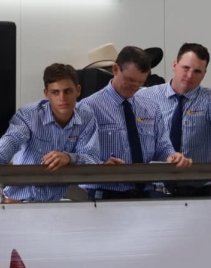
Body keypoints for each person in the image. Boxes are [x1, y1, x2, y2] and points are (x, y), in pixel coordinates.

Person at [0, 63, 101, 202]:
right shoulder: (29, 115)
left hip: (55, 204)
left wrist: (70, 158)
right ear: (46, 93)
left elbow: (92, 160)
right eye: (55, 92)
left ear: (78, 90)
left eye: (68, 91)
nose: (62, 98)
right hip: (17, 202)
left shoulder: (86, 117)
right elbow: (12, 139)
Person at [139, 43, 211, 197]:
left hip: (198, 193)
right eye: (186, 68)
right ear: (175, 65)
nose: (190, 75)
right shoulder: (145, 97)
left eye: (197, 71)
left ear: (204, 74)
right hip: (154, 191)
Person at [79, 46, 191, 200]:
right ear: (116, 69)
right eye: (130, 80)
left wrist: (172, 157)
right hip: (106, 196)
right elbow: (77, 154)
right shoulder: (88, 108)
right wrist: (100, 166)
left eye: (140, 82)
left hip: (146, 194)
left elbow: (163, 147)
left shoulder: (150, 107)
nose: (134, 87)